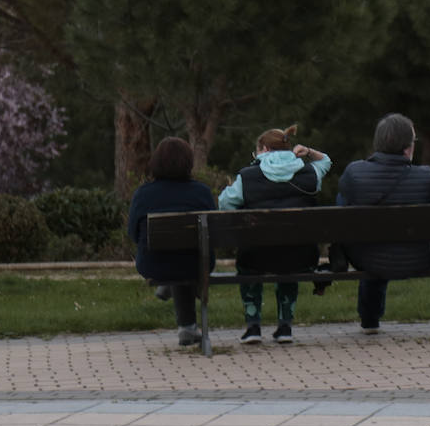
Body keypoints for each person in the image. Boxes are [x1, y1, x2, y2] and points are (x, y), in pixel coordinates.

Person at [219, 125, 330, 344]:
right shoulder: (309, 174)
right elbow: (325, 161)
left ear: (265, 149)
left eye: (256, 151)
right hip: (301, 256)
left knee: (251, 262)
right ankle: (285, 327)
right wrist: (307, 152)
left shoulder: (247, 176)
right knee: (289, 256)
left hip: (255, 255)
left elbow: (225, 204)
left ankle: (253, 327)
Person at [336, 113, 430, 333]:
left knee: (362, 227)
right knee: (386, 241)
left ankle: (370, 319)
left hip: (367, 258)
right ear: (407, 147)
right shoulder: (426, 176)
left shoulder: (354, 173)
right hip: (418, 257)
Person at [127, 137, 215, 347]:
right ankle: (187, 327)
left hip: (154, 263)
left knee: (174, 261)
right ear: (189, 162)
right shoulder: (201, 192)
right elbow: (213, 233)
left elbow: (132, 234)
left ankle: (183, 319)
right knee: (186, 259)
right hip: (196, 264)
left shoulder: (143, 194)